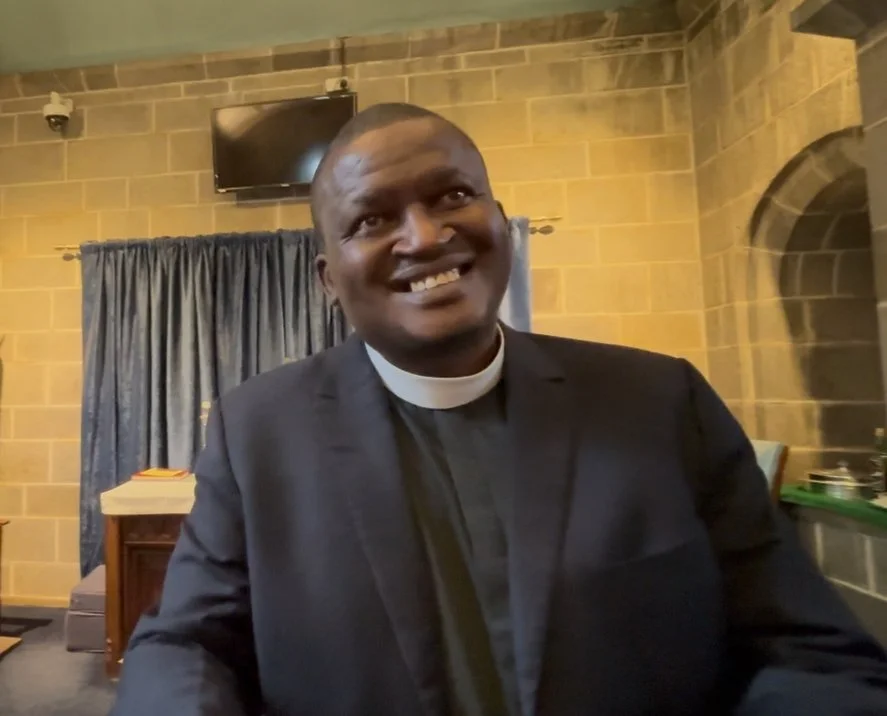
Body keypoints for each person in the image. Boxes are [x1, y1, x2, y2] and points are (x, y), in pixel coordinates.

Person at [111, 103, 887, 716]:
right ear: (328, 280)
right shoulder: (259, 432)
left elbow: (808, 654)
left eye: (452, 195)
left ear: (499, 220)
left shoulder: (659, 402)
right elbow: (184, 645)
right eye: (372, 220)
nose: (424, 237)